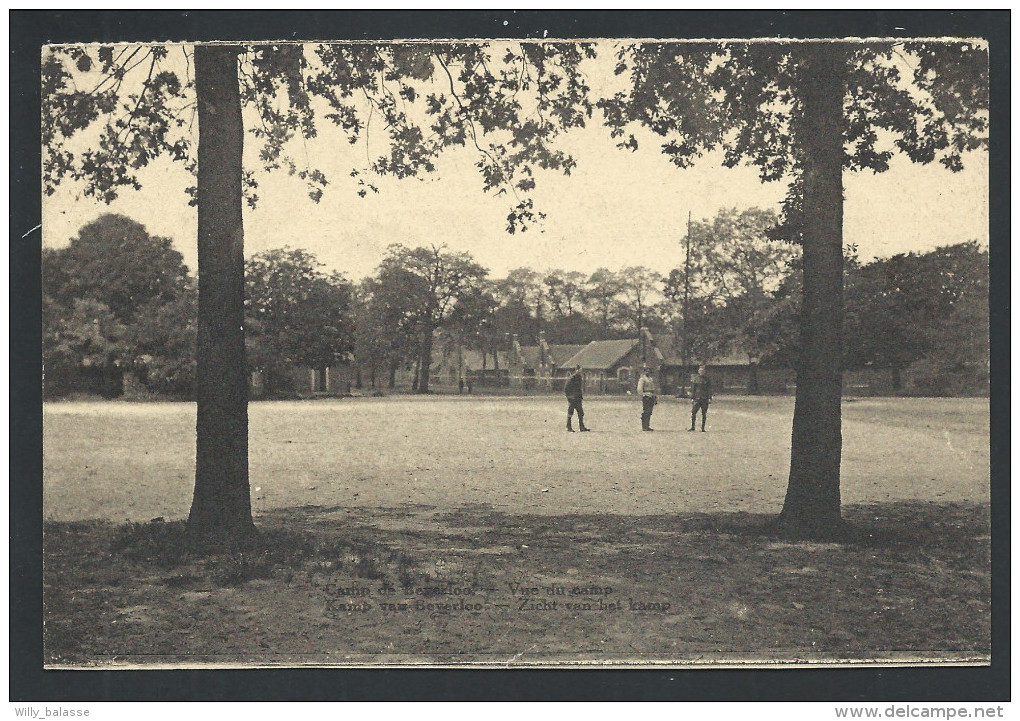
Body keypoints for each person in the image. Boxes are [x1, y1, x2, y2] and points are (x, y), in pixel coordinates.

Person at [564, 365, 589, 432]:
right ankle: (568, 427)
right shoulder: (572, 378)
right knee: (570, 412)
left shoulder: (579, 378)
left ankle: (582, 427)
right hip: (573, 398)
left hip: (578, 398)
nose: (580, 371)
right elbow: (566, 388)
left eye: (581, 370)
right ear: (576, 370)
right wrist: (569, 397)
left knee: (581, 413)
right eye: (579, 370)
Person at [689, 364, 713, 432]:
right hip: (697, 398)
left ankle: (703, 428)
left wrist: (709, 398)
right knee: (693, 413)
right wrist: (692, 398)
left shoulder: (707, 380)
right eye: (700, 371)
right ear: (698, 371)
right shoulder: (695, 379)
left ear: (704, 372)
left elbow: (709, 389)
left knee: (704, 414)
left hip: (705, 398)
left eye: (703, 371)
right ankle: (693, 427)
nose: (701, 372)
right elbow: (693, 389)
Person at [636, 366, 658, 431]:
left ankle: (647, 425)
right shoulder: (642, 379)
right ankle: (644, 426)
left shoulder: (650, 379)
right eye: (646, 371)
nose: (648, 372)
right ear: (644, 372)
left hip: (651, 396)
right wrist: (643, 394)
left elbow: (653, 389)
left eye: (649, 371)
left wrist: (655, 397)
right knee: (646, 411)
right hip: (646, 396)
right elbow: (639, 389)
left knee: (650, 412)